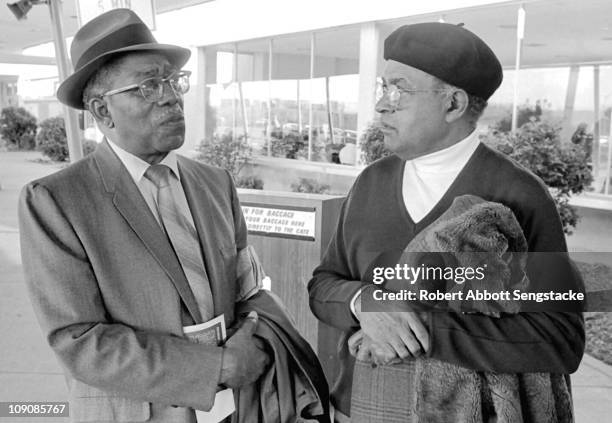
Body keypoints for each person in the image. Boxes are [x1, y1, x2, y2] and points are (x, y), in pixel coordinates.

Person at [308, 22, 585, 422]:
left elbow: (560, 340)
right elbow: (323, 284)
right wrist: (365, 301)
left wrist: (424, 330)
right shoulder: (372, 181)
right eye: (382, 89)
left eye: (398, 89)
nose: (382, 105)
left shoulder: (520, 195)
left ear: (453, 104)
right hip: (360, 407)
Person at [18, 9, 270, 423]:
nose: (171, 96)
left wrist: (252, 334)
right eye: (149, 85)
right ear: (102, 111)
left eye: (173, 81)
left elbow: (248, 288)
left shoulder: (215, 183)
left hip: (232, 409)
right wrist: (214, 368)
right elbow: (79, 339)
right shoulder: (55, 201)